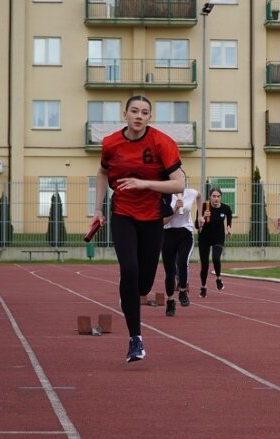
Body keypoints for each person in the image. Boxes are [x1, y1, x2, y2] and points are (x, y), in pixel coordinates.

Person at [93, 95, 185, 363]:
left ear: (150, 117)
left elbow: (179, 184)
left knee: (142, 284)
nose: (139, 116)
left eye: (145, 112)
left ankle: (131, 295)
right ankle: (135, 340)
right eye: (134, 111)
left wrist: (145, 184)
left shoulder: (161, 142)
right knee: (129, 271)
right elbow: (101, 173)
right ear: (125, 114)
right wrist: (98, 209)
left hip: (152, 217)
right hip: (122, 214)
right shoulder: (111, 143)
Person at [161, 183, 201, 316]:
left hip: (185, 232)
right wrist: (174, 209)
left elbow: (200, 197)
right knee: (170, 271)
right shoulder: (165, 196)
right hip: (168, 233)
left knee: (182, 262)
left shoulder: (190, 193)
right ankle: (170, 301)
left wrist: (199, 216)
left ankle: (183, 290)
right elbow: (162, 221)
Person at [196, 187, 232, 298]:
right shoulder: (203, 207)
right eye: (214, 196)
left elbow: (229, 218)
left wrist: (229, 228)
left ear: (221, 197)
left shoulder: (226, 208)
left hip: (218, 238)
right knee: (205, 266)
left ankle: (218, 278)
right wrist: (202, 218)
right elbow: (197, 226)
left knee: (216, 258)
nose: (216, 198)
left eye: (218, 196)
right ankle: (203, 287)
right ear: (210, 197)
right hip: (204, 238)